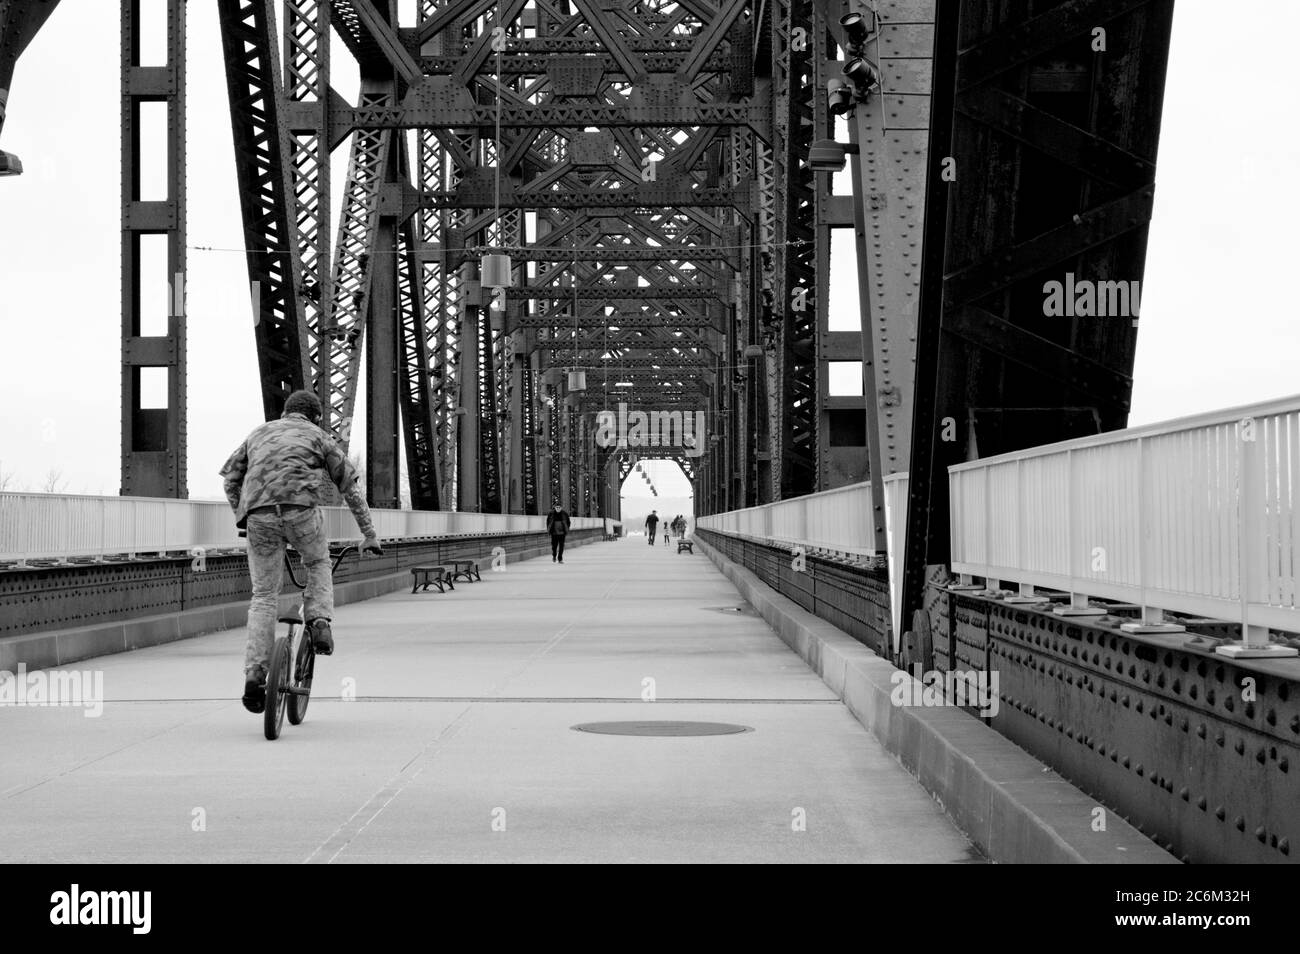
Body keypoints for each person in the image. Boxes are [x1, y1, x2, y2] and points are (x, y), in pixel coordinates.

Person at [220, 389, 383, 715]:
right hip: (301, 513)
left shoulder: (258, 433)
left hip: (260, 517)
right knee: (318, 560)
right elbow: (349, 486)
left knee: (263, 595)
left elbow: (230, 480)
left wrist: (243, 515)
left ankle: (255, 672)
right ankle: (319, 620)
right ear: (316, 416)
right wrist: (370, 535)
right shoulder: (319, 436)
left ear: (285, 412)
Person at [546, 498, 571, 563]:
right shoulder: (551, 514)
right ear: (554, 507)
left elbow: (568, 522)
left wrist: (567, 529)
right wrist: (548, 530)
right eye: (557, 507)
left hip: (562, 533)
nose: (558, 508)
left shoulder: (564, 514)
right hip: (554, 533)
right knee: (554, 546)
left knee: (561, 546)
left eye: (559, 507)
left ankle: (560, 559)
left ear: (561, 508)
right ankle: (554, 555)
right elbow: (548, 522)